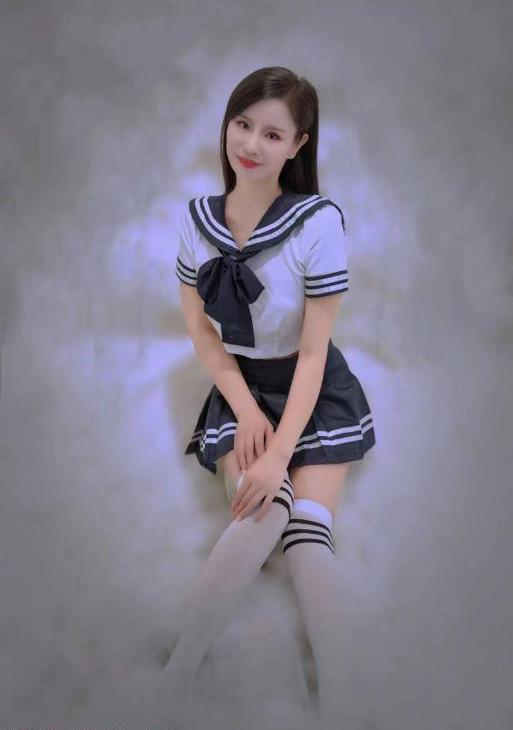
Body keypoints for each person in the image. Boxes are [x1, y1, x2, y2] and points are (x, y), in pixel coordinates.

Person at [163, 65, 376, 722]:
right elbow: (202, 333)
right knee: (264, 507)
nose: (251, 144)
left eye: (272, 134)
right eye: (242, 124)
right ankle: (175, 676)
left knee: (307, 530)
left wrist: (281, 449)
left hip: (315, 389)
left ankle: (340, 698)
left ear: (298, 145)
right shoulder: (196, 220)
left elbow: (312, 354)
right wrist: (247, 409)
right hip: (243, 387)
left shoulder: (318, 222)